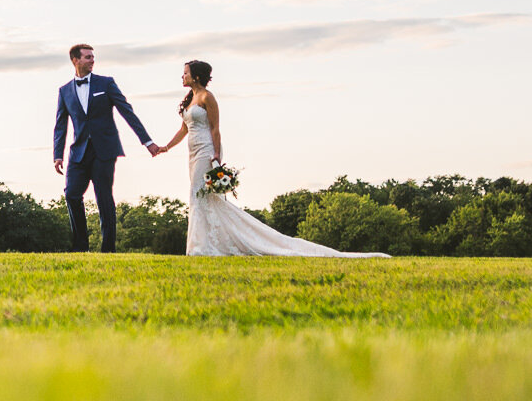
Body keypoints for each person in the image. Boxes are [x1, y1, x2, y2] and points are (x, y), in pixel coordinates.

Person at [161, 59, 387, 258]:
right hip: (191, 153)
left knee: (203, 194)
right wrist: (166, 147)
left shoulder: (207, 97)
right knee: (198, 195)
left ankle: (203, 246)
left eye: (185, 72)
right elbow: (183, 129)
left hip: (207, 150)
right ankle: (204, 244)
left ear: (196, 75)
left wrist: (217, 156)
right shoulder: (190, 98)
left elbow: (215, 128)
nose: (182, 76)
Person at [51, 43, 156, 252]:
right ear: (75, 60)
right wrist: (58, 155)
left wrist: (147, 141)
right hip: (78, 152)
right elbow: (60, 125)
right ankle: (81, 247)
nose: (92, 60)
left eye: (93, 57)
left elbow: (127, 111)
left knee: (104, 198)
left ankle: (108, 249)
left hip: (104, 150)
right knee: (71, 194)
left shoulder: (106, 83)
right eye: (88, 57)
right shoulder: (64, 91)